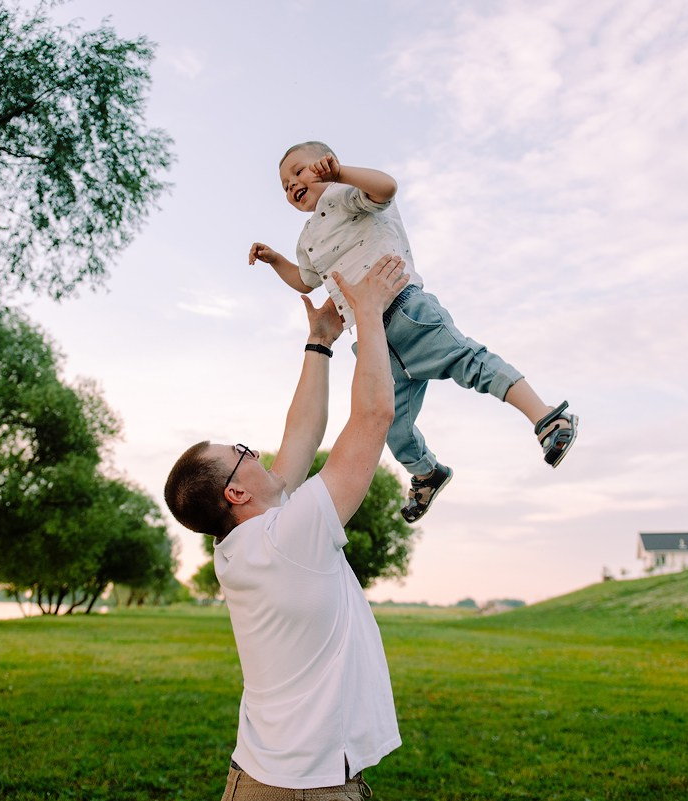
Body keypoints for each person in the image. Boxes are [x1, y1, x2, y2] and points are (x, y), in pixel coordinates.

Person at [165, 255, 408, 800]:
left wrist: (319, 343)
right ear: (236, 492)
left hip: (257, 778)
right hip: (307, 792)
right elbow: (372, 418)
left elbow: (302, 431)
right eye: (244, 452)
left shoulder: (241, 545)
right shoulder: (288, 540)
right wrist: (367, 316)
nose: (258, 451)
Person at [249, 141, 579, 522]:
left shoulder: (347, 194)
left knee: (472, 364)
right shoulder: (307, 237)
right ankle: (427, 472)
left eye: (298, 171)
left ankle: (549, 418)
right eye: (285, 186)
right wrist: (276, 261)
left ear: (325, 164)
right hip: (373, 343)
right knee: (389, 422)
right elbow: (305, 281)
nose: (291, 186)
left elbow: (386, 188)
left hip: (407, 311)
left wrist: (340, 173)